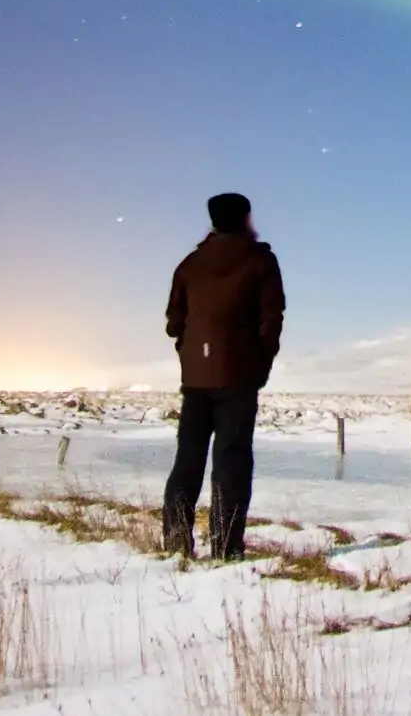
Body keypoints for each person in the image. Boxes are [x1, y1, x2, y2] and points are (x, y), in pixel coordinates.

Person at [161, 190, 285, 560]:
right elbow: (271, 318)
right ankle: (226, 548)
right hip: (239, 376)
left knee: (188, 460)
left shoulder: (190, 264)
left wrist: (192, 349)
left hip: (196, 377)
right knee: (231, 462)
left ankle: (177, 545)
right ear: (245, 218)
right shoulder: (260, 261)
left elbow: (173, 322)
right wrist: (260, 363)